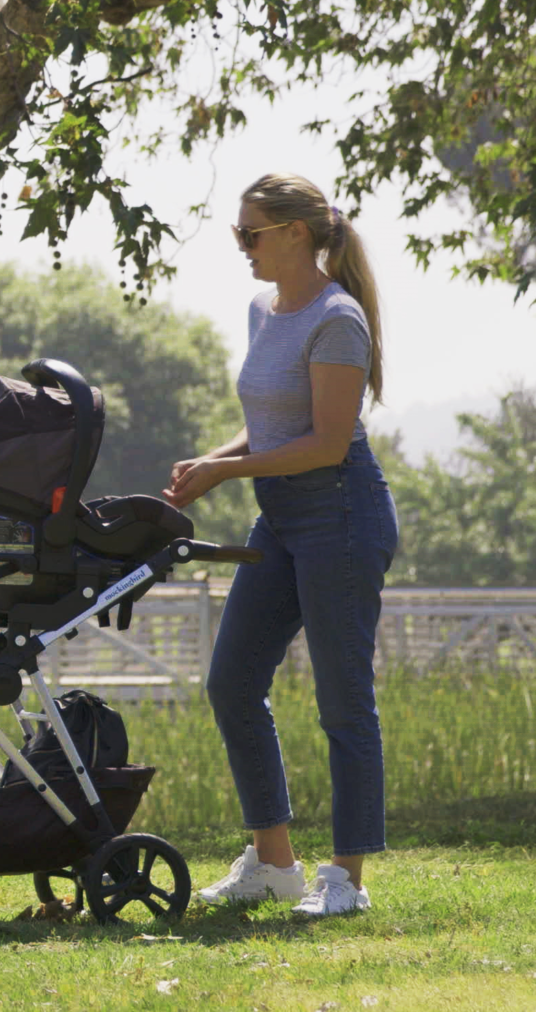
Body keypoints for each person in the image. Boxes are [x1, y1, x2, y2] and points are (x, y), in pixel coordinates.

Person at [163, 172, 398, 916]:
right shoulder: (263, 309)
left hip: (342, 516)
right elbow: (272, 424)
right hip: (282, 518)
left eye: (250, 233)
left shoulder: (338, 317)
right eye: (240, 233)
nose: (242, 247)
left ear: (297, 231)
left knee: (343, 701)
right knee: (231, 682)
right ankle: (274, 864)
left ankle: (347, 880)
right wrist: (215, 461)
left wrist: (226, 471)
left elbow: (328, 444)